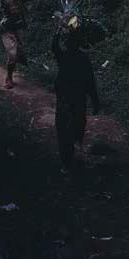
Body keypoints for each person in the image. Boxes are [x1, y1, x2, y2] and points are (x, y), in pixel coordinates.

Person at [52, 16, 100, 172]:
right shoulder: (66, 56)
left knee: (74, 126)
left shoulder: (76, 58)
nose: (68, 43)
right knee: (66, 127)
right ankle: (67, 159)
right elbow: (54, 47)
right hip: (68, 98)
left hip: (73, 98)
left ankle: (69, 155)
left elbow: (90, 81)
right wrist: (58, 31)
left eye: (71, 41)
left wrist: (95, 100)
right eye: (68, 41)